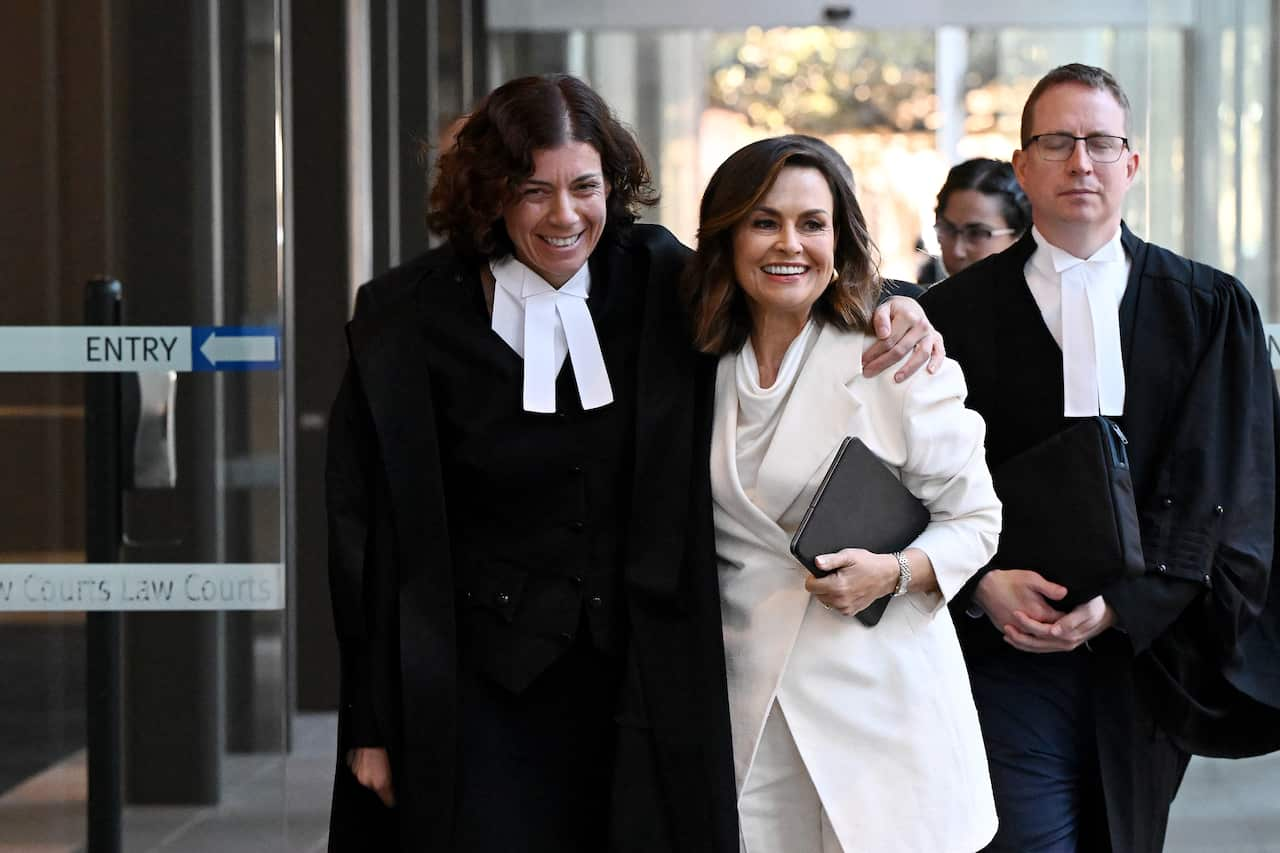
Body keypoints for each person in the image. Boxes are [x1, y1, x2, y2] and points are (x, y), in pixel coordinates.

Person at [324, 75, 943, 852]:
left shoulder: (654, 276)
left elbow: (782, 275)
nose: (564, 215)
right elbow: (366, 536)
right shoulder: (406, 318)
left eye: (585, 186)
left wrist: (899, 301)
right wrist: (372, 723)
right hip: (477, 690)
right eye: (532, 189)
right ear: (489, 193)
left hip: (640, 682)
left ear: (611, 186)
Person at [921, 63, 1280, 853]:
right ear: (1023, 167)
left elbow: (1237, 481)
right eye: (1056, 143)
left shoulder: (1211, 309)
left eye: (1100, 142)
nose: (1080, 162)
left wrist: (1126, 604)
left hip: (1151, 649)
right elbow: (915, 480)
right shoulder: (949, 315)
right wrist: (982, 584)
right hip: (1004, 648)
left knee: (1126, 837)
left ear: (1131, 163)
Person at [683, 134, 1002, 853]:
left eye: (811, 223)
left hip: (883, 715)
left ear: (840, 236)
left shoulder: (892, 354)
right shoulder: (697, 363)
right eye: (764, 221)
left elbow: (976, 518)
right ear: (728, 235)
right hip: (750, 720)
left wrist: (893, 572)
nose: (788, 244)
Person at [931, 158, 1030, 279]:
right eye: (948, 229)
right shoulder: (923, 297)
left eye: (976, 233)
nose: (957, 251)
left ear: (1021, 237)